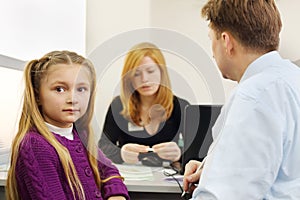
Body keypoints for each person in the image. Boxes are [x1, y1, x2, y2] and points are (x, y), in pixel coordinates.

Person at [183, 0, 300, 199]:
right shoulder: (292, 78)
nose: (212, 52)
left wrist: (216, 183)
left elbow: (226, 195)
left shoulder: (254, 96)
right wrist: (212, 168)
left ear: (226, 41)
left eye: (212, 38)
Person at [6, 50, 130, 200]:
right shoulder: (35, 146)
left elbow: (109, 170)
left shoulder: (79, 135)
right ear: (38, 95)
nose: (73, 99)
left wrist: (116, 194)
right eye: (60, 89)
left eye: (81, 89)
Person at [98, 42, 189, 166]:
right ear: (129, 78)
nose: (144, 79)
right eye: (136, 74)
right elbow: (102, 147)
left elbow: (199, 154)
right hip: (130, 179)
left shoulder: (181, 107)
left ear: (162, 73)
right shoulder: (118, 105)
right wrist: (120, 154)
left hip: (170, 180)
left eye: (150, 71)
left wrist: (180, 155)